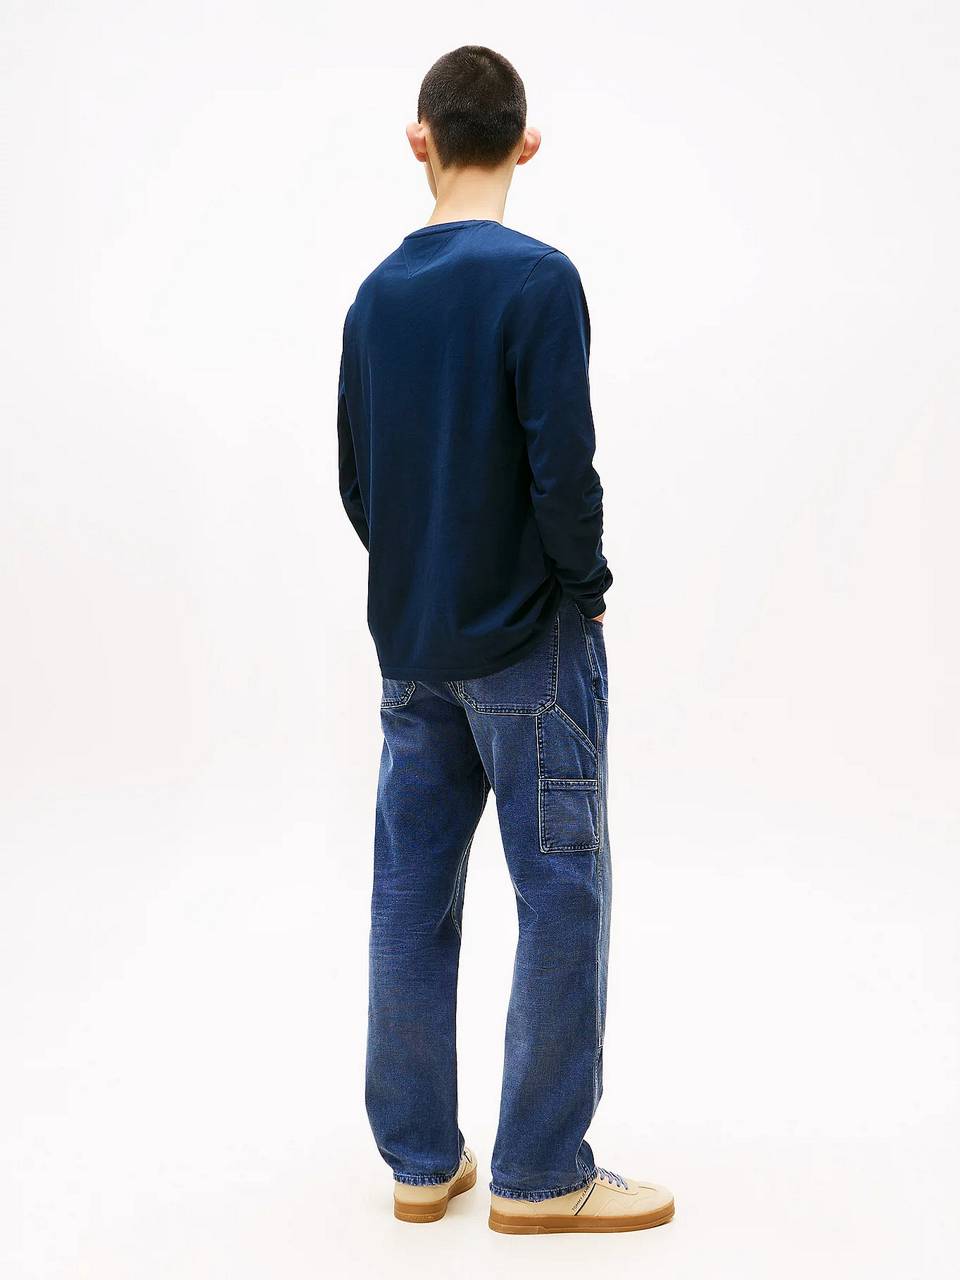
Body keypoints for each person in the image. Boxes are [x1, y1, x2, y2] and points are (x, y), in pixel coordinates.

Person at [337, 45, 674, 1235]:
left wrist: (423, 574)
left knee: (410, 896)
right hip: (529, 643)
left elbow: (360, 481)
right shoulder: (540, 280)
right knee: (561, 890)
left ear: (419, 138)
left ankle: (420, 1161)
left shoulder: (374, 296)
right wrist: (587, 587)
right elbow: (561, 468)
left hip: (412, 647)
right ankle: (540, 1171)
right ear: (526, 142)